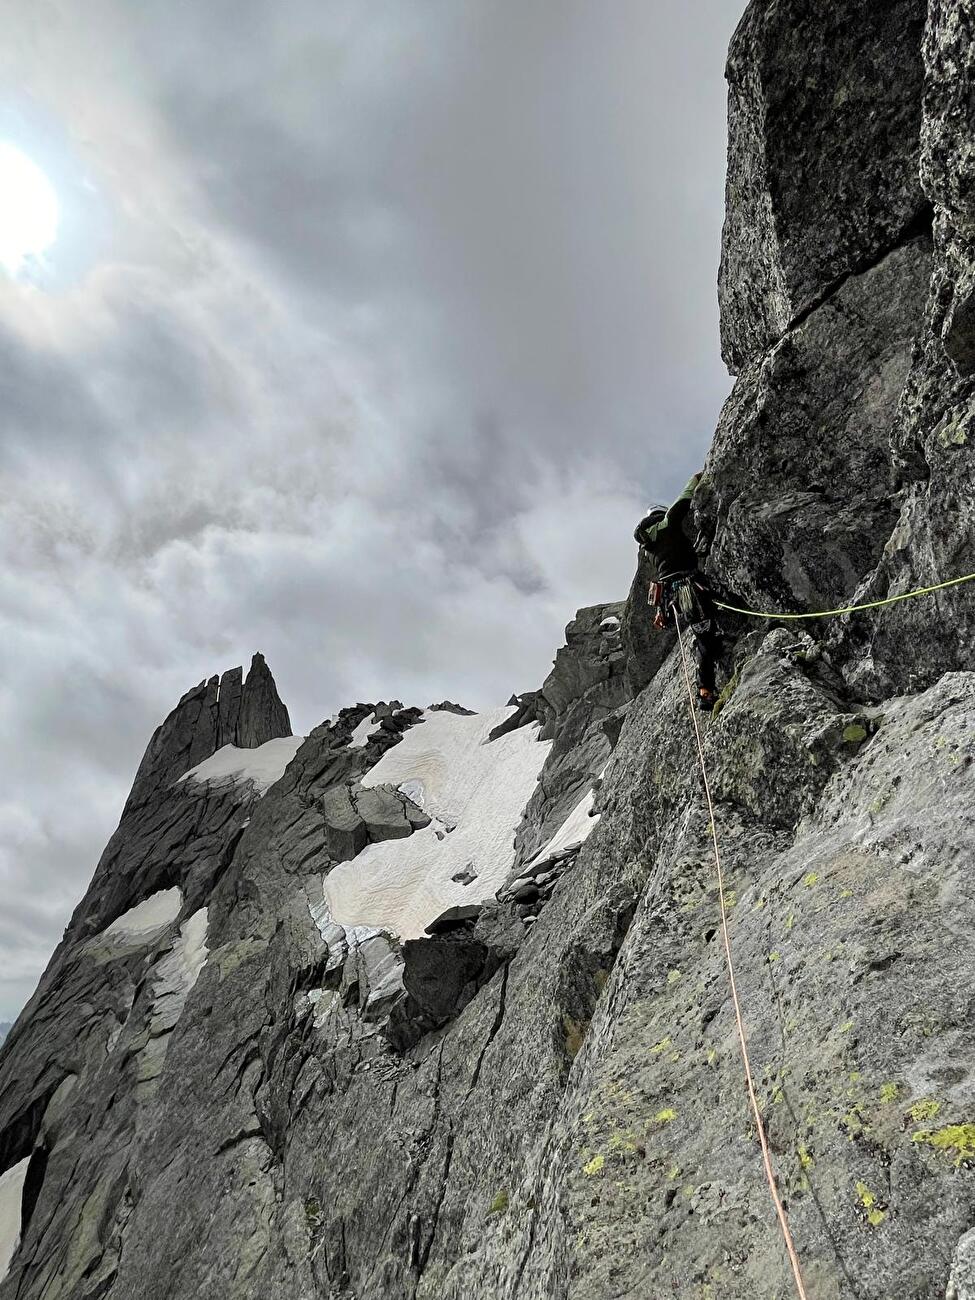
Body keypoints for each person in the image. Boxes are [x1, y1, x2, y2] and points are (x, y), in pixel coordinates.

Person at [633, 472, 722, 711]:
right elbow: (681, 503)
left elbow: (672, 559)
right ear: (658, 516)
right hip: (689, 586)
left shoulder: (648, 549)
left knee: (703, 628)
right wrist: (695, 479)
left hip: (675, 594)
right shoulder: (665, 526)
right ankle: (705, 691)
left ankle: (710, 670)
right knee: (704, 632)